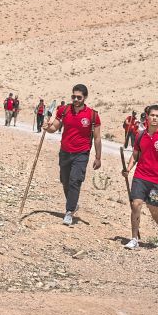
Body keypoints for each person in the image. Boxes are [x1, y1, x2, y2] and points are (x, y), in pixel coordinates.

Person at [44, 84, 102, 226]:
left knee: (75, 181)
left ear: (85, 98)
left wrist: (98, 157)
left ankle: (69, 211)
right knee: (65, 180)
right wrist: (47, 127)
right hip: (65, 151)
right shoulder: (64, 110)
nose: (76, 99)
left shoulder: (93, 115)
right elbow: (54, 127)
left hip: (81, 153)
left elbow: (97, 137)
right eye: (73, 96)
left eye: (79, 97)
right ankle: (73, 203)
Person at [122, 104, 158, 249]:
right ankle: (134, 239)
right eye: (152, 115)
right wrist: (128, 168)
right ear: (147, 116)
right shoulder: (140, 135)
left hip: (157, 181)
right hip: (140, 177)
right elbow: (135, 155)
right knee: (135, 205)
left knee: (153, 208)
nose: (155, 118)